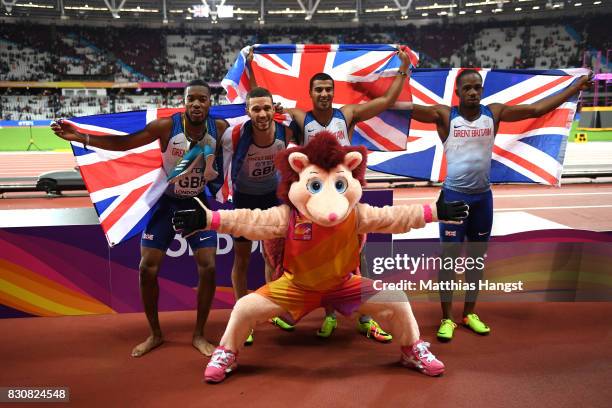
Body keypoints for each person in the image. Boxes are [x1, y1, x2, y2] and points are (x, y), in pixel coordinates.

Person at [172, 132, 470, 383]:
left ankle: (411, 349)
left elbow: (394, 217)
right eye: (315, 185)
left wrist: (433, 212)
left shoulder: (356, 214)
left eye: (339, 184)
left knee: (397, 300)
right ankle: (228, 353)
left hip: (343, 284)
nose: (330, 202)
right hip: (296, 286)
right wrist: (209, 218)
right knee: (244, 308)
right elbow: (249, 220)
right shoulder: (287, 216)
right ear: (298, 176)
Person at [408, 69, 593, 341]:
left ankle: (469, 313)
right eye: (467, 88)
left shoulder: (493, 113)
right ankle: (447, 318)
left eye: (477, 88)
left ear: (482, 90)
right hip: (453, 199)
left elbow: (535, 109)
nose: (473, 92)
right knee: (448, 261)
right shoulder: (445, 116)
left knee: (476, 261)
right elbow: (403, 108)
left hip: (483, 199)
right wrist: (383, 85)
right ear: (457, 92)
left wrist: (573, 88)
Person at [51, 80, 229, 357]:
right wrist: (81, 138)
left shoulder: (220, 129)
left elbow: (254, 128)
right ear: (184, 102)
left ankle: (199, 334)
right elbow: (125, 143)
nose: (196, 104)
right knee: (147, 268)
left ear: (210, 103)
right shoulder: (166, 127)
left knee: (208, 267)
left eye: (202, 99)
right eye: (190, 99)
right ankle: (155, 334)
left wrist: (276, 112)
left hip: (197, 204)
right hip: (167, 203)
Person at [246, 46, 412, 341]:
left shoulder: (346, 115)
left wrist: (403, 65)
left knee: (355, 255)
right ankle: (330, 316)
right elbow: (264, 102)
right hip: (313, 204)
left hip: (345, 199)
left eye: (327, 89)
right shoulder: (300, 117)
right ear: (310, 93)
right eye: (318, 90)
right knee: (319, 257)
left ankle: (365, 318)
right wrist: (249, 68)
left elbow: (386, 100)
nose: (323, 94)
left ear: (333, 92)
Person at [220, 87, 295, 345]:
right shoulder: (235, 134)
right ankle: (244, 317)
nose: (262, 114)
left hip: (272, 197)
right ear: (247, 111)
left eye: (267, 108)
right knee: (241, 259)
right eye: (256, 109)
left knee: (272, 257)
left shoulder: (286, 131)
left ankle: (271, 310)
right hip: (244, 199)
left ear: (275, 108)